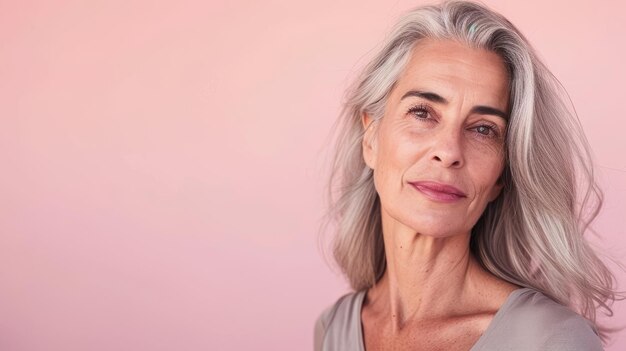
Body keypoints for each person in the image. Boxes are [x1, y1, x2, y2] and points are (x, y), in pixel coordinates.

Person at [314, 1, 623, 350]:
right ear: (370, 138)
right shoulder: (334, 328)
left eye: (482, 130)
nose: (448, 151)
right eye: (422, 112)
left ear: (502, 176)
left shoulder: (551, 340)